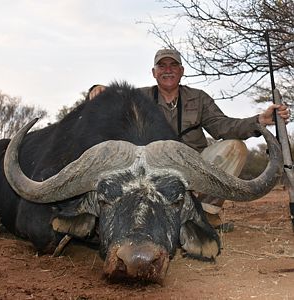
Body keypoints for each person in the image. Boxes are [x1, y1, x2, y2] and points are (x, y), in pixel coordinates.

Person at [88, 49, 290, 231]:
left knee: (235, 147)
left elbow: (223, 126)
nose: (168, 70)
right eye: (162, 66)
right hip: (154, 172)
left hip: (194, 167)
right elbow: (113, 101)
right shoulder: (139, 97)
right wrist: (98, 89)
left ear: (182, 70)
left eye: (173, 65)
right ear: (154, 72)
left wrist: (260, 120)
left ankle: (205, 215)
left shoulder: (199, 98)